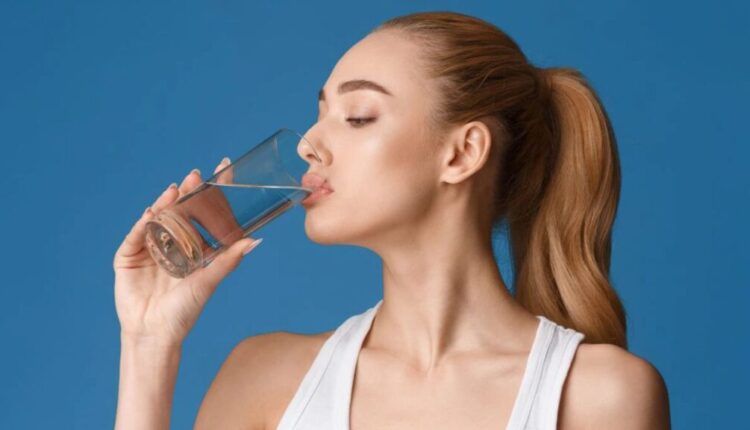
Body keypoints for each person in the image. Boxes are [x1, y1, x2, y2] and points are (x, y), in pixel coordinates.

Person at [113, 11, 670, 430]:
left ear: (462, 153)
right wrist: (148, 341)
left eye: (357, 117)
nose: (308, 144)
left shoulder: (599, 397)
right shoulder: (263, 379)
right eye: (320, 113)